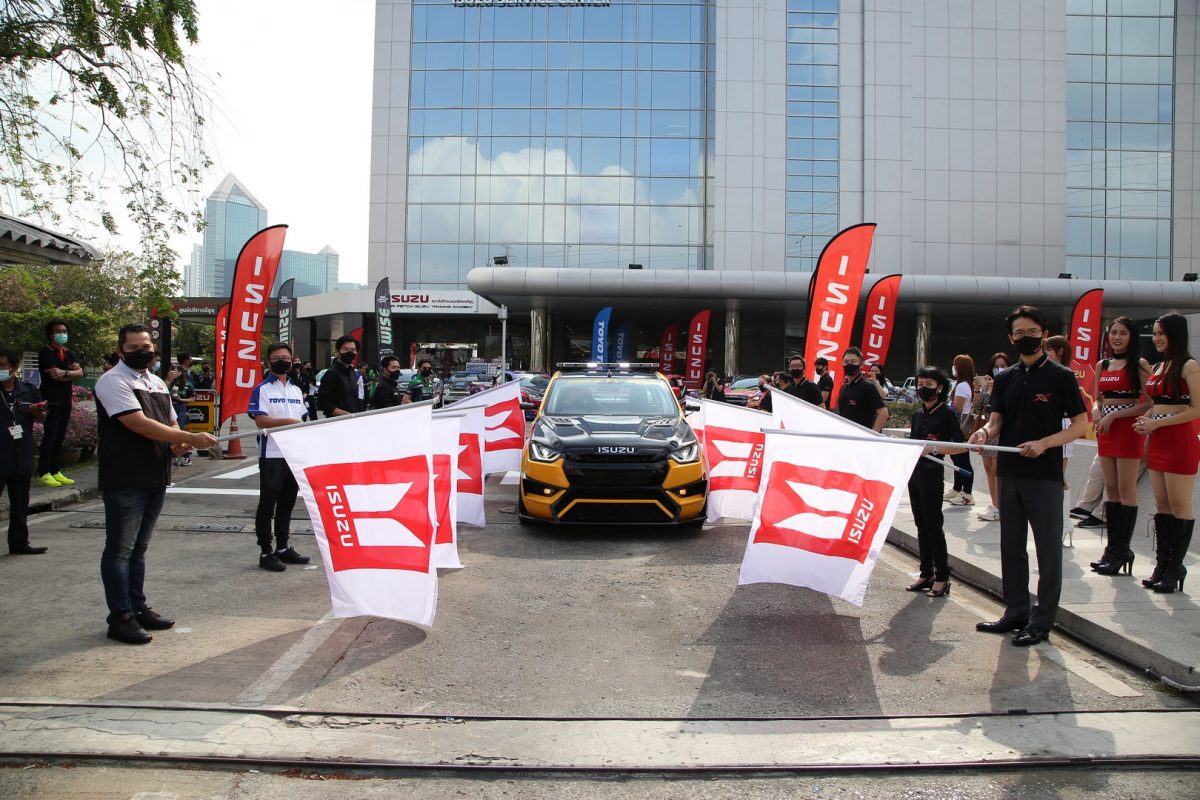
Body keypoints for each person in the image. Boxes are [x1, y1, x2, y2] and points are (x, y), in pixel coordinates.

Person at [969, 306, 1087, 646]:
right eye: (1019, 333)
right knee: (1011, 545)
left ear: (1044, 334)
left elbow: (1080, 425)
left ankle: (1041, 621)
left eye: (1032, 332)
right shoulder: (1005, 378)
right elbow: (997, 421)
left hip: (1045, 475)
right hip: (1009, 472)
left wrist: (1044, 443)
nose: (1026, 338)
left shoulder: (1061, 376)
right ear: (1011, 338)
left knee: (1048, 550)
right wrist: (984, 433)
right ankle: (1016, 611)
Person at [94, 323, 218, 644]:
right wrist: (188, 436)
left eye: (146, 347)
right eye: (133, 348)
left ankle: (137, 606)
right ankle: (120, 617)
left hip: (155, 473)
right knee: (120, 550)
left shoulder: (157, 382)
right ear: (121, 351)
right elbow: (138, 423)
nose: (142, 352)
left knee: (139, 548)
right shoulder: (113, 381)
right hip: (125, 475)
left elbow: (170, 420)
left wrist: (179, 443)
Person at [1133, 312, 1200, 594]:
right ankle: (1162, 565)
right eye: (1155, 333)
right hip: (1158, 439)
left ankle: (1175, 568)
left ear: (1175, 335)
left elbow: (1197, 409)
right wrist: (1146, 419)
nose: (1156, 338)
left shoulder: (1190, 366)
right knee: (1162, 505)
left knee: (1179, 505)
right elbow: (1157, 404)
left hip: (1180, 440)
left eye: (1162, 333)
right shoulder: (1160, 366)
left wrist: (1157, 423)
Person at [1089, 317, 1152, 576]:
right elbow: (1097, 398)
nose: (1116, 337)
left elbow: (1148, 402)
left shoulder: (1139, 364)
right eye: (1113, 332)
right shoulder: (1102, 365)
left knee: (1126, 488)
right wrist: (1096, 410)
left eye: (1122, 333)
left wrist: (1115, 415)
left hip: (1127, 430)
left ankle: (1123, 550)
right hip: (1105, 430)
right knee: (1111, 488)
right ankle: (1112, 549)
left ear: (1132, 337)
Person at [248, 342, 311, 573]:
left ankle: (283, 547)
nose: (281, 361)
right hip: (272, 454)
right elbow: (261, 421)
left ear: (292, 360)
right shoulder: (262, 389)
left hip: (292, 454)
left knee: (287, 502)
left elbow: (304, 418)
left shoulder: (295, 390)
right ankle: (266, 551)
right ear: (268, 361)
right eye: (276, 358)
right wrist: (290, 422)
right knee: (268, 504)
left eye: (285, 357)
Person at [906, 366, 965, 598]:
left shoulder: (947, 413)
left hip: (932, 476)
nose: (923, 388)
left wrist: (934, 449)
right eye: (920, 384)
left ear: (940, 388)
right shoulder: (917, 415)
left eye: (929, 385)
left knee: (933, 526)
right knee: (920, 525)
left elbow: (960, 446)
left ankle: (942, 576)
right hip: (915, 475)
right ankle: (926, 573)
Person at [1, 350, 48, 555]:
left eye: (2, 365)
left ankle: (19, 542)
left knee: (20, 503)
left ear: (14, 367)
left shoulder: (28, 390)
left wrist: (39, 412)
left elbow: (43, 416)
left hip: (21, 455)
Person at [36, 319, 83, 488]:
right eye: (58, 331)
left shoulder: (68, 353)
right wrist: (70, 374)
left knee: (60, 437)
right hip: (51, 399)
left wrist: (65, 373)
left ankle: (55, 470)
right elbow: (54, 375)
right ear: (50, 334)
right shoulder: (45, 352)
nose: (62, 334)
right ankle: (43, 472)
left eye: (64, 331)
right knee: (50, 436)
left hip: (65, 400)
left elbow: (80, 373)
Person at [975, 352, 1011, 522]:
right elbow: (978, 407)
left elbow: (1001, 405)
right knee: (988, 468)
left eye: (1003, 366)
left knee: (997, 469)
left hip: (1000, 428)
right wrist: (979, 388)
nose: (999, 369)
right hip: (986, 428)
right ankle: (994, 503)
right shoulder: (986, 386)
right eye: (996, 366)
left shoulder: (1009, 384)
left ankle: (1001, 506)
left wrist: (994, 389)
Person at [944, 355, 977, 506]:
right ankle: (957, 488)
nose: (953, 368)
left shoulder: (963, 385)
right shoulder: (960, 384)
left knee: (963, 461)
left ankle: (967, 493)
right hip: (956, 426)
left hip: (960, 426)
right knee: (956, 459)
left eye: (955, 365)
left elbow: (957, 408)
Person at [835, 347, 888, 432]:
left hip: (861, 437)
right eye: (846, 362)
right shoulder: (843, 387)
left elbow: (883, 413)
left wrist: (871, 436)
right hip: (844, 435)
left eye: (853, 361)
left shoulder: (867, 386)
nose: (849, 364)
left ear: (861, 365)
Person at [318, 336, 361, 418]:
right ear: (338, 352)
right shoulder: (331, 373)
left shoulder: (352, 371)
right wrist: (345, 415)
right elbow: (322, 402)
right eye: (345, 349)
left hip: (353, 420)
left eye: (353, 350)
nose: (350, 353)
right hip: (337, 422)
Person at [168, 353, 195, 467]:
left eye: (175, 370)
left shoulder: (187, 383)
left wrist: (181, 399)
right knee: (170, 433)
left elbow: (193, 398)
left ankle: (185, 456)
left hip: (180, 408)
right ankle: (173, 456)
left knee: (180, 431)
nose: (173, 372)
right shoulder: (167, 382)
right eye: (172, 370)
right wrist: (168, 381)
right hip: (168, 407)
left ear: (180, 372)